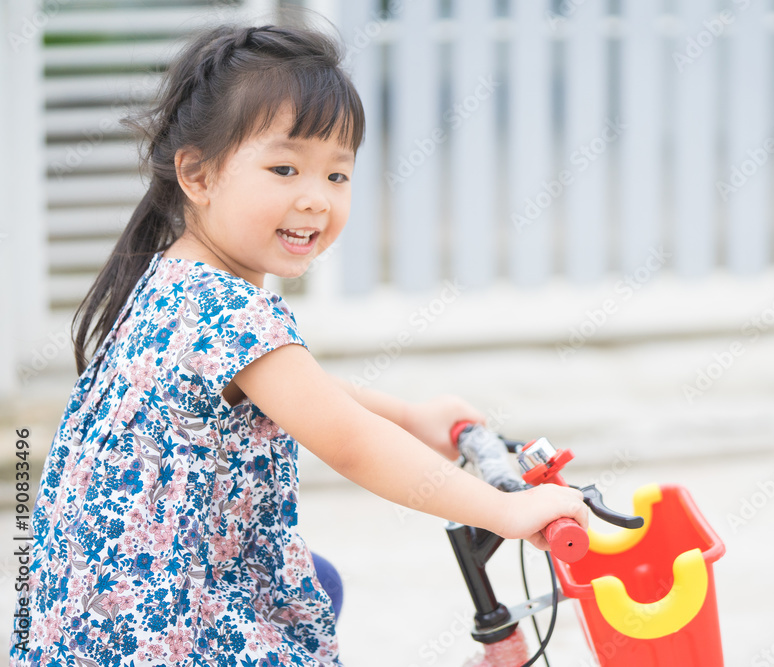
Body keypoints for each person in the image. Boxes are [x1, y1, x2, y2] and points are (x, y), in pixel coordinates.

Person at [10, 23, 587, 666]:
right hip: (159, 634)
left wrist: (412, 416)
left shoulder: (174, 276)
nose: (315, 199)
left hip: (92, 615)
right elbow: (351, 443)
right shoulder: (226, 307)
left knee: (316, 584)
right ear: (197, 175)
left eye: (337, 176)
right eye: (284, 168)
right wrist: (508, 512)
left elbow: (301, 392)